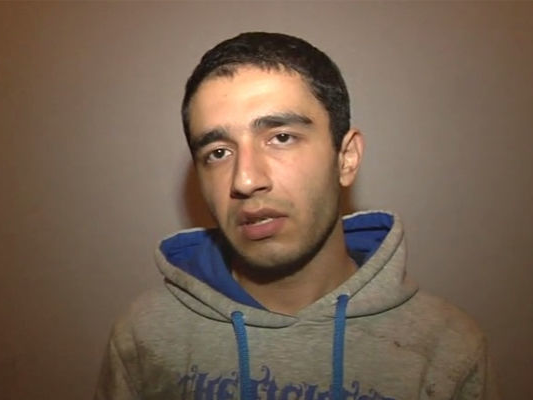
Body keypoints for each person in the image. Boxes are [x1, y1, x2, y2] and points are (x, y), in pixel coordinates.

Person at [95, 32, 498, 400]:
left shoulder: (447, 349)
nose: (246, 180)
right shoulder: (145, 337)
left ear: (346, 158)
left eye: (281, 137)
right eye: (218, 152)